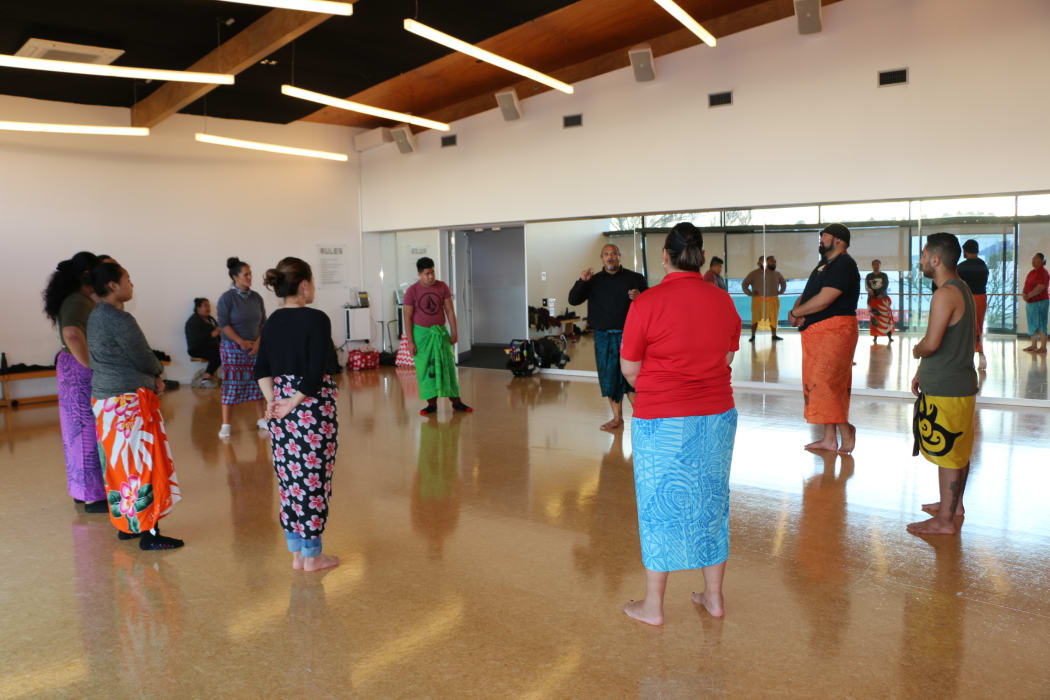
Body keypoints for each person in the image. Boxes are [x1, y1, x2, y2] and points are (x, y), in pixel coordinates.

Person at [619, 222, 740, 625]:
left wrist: (663, 384)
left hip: (662, 420)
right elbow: (726, 358)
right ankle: (714, 597)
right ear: (702, 257)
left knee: (658, 507)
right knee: (712, 502)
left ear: (665, 257)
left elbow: (630, 370)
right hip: (716, 416)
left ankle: (654, 607)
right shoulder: (723, 302)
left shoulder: (646, 304)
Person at [86, 262, 183, 549]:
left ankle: (128, 525)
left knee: (119, 466)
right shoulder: (119, 319)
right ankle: (150, 533)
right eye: (127, 279)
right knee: (143, 465)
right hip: (128, 403)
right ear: (113, 286)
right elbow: (143, 355)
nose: (132, 285)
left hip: (107, 402)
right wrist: (156, 373)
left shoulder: (95, 315)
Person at [256, 257, 341, 571]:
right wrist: (293, 402)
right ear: (304, 285)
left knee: (290, 480)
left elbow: (261, 368)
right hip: (311, 409)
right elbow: (315, 373)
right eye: (313, 282)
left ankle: (296, 553)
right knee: (314, 481)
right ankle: (313, 555)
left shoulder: (273, 322)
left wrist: (274, 402)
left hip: (281, 410)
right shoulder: (317, 319)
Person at [908, 233, 978, 536]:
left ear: (936, 259)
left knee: (948, 452)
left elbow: (932, 343)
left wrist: (916, 351)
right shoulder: (961, 288)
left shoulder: (944, 294)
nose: (921, 260)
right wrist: (923, 371)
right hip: (957, 381)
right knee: (957, 450)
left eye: (923, 255)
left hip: (948, 388)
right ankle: (953, 506)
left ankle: (945, 521)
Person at [788, 223, 861, 454]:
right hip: (818, 332)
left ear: (839, 240)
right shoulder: (825, 264)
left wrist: (798, 313)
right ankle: (829, 439)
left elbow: (826, 298)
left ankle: (845, 429)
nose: (820, 240)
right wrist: (795, 310)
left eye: (825, 236)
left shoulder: (844, 264)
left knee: (829, 385)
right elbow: (809, 293)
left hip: (835, 332)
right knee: (821, 386)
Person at [43, 251, 107, 512]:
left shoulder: (77, 298)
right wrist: (90, 365)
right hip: (78, 369)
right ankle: (92, 496)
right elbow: (72, 333)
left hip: (72, 368)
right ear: (86, 274)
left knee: (78, 433)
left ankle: (83, 492)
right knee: (85, 432)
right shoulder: (79, 300)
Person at [568, 243, 648, 430]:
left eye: (613, 254)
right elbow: (573, 300)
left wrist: (640, 297)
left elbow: (650, 302)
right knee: (609, 378)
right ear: (602, 258)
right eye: (606, 255)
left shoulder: (635, 278)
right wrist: (582, 281)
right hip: (603, 337)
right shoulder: (593, 280)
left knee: (633, 379)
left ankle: (643, 418)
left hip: (629, 335)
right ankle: (617, 418)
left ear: (619, 256)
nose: (610, 257)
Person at [403, 257, 472, 416]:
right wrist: (410, 342)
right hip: (422, 336)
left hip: (440, 334)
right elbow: (407, 317)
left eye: (432, 272)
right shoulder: (412, 291)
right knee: (426, 370)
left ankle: (456, 402)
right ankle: (431, 404)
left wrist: (455, 332)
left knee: (447, 365)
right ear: (420, 274)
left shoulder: (442, 287)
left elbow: (449, 311)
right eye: (427, 274)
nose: (431, 276)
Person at [217, 257, 267, 437]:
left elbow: (262, 324)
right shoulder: (226, 298)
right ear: (235, 277)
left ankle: (261, 419)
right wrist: (241, 342)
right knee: (231, 384)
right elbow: (224, 325)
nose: (249, 277)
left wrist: (258, 344)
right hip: (232, 347)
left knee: (258, 382)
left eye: (250, 274)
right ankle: (226, 425)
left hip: (254, 347)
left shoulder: (257, 298)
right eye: (246, 274)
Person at [958, 240, 989, 369]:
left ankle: (966, 358)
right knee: (978, 326)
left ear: (965, 251)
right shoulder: (983, 265)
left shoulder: (961, 267)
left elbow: (957, 284)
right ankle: (981, 355)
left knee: (966, 328)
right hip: (981, 297)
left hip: (967, 298)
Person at [742, 255, 786, 342]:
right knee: (755, 318)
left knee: (773, 318)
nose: (774, 263)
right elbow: (744, 284)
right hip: (758, 300)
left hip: (773, 299)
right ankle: (753, 336)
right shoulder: (753, 273)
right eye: (772, 261)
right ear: (759, 263)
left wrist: (781, 291)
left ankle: (774, 335)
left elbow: (783, 283)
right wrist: (750, 293)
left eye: (775, 262)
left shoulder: (777, 274)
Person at [185, 297, 221, 388]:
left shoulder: (211, 319)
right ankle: (206, 378)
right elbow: (196, 338)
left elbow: (218, 333)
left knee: (225, 350)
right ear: (198, 308)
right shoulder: (193, 321)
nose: (208, 308)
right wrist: (212, 335)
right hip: (196, 348)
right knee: (218, 353)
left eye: (209, 306)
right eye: (205, 306)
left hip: (211, 347)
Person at [1021, 253, 1048, 354]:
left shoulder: (1043, 272)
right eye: (1032, 259)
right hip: (1031, 303)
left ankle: (1043, 347)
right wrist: (1024, 294)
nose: (1032, 261)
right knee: (1032, 324)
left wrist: (1028, 296)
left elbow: (1040, 288)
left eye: (1035, 259)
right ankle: (1033, 345)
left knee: (1041, 324)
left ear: (1041, 261)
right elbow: (1026, 285)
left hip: (1040, 302)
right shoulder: (1032, 272)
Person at [865, 259, 894, 343]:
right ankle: (875, 336)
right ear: (872, 266)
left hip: (882, 299)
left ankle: (889, 336)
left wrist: (880, 294)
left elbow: (885, 285)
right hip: (872, 299)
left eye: (877, 264)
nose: (876, 266)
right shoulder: (868, 276)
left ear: (880, 265)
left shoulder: (884, 275)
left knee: (886, 318)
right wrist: (871, 291)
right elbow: (867, 286)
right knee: (874, 318)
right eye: (874, 264)